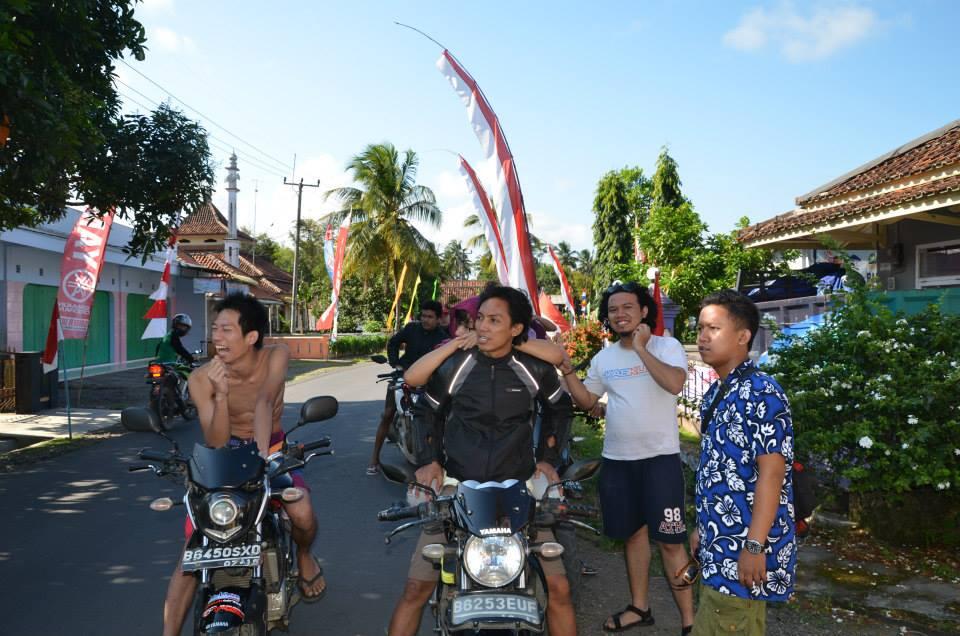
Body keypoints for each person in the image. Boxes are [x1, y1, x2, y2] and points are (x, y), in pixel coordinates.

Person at [387, 285, 576, 636]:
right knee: (415, 589)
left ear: (516, 329)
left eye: (494, 320)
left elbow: (560, 411)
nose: (483, 327)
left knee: (560, 589)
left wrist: (549, 459)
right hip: (457, 490)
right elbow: (425, 411)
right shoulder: (457, 364)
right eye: (480, 319)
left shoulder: (534, 367)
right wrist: (428, 460)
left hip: (520, 491)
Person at [161, 293, 326, 636]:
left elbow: (265, 401)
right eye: (215, 328)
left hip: (271, 448)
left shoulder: (274, 356)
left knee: (302, 512)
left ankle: (306, 555)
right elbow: (217, 439)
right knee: (195, 547)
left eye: (226, 329)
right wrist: (220, 395)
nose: (216, 337)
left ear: (251, 337)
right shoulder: (201, 378)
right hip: (223, 457)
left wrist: (264, 460)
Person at [558, 281, 694, 634]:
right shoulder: (604, 358)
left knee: (670, 541)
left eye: (627, 307)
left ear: (644, 311)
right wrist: (567, 370)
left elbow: (675, 384)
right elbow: (588, 402)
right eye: (613, 309)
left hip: (660, 460)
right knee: (633, 536)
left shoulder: (667, 346)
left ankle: (690, 623)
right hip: (617, 462)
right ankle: (639, 607)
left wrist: (642, 348)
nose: (620, 314)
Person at [691, 290, 796, 636]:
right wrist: (703, 529)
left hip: (742, 552)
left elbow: (773, 474)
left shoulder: (761, 392)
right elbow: (718, 472)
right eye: (700, 328)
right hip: (719, 545)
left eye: (713, 329)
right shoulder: (718, 393)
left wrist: (754, 546)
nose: (703, 337)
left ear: (742, 336)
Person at [367, 300, 446, 475]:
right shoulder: (412, 329)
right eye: (423, 316)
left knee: (439, 417)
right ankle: (374, 459)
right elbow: (393, 342)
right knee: (388, 414)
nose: (425, 319)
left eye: (430, 317)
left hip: (429, 381)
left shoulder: (443, 337)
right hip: (402, 376)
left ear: (439, 319)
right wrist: (395, 364)